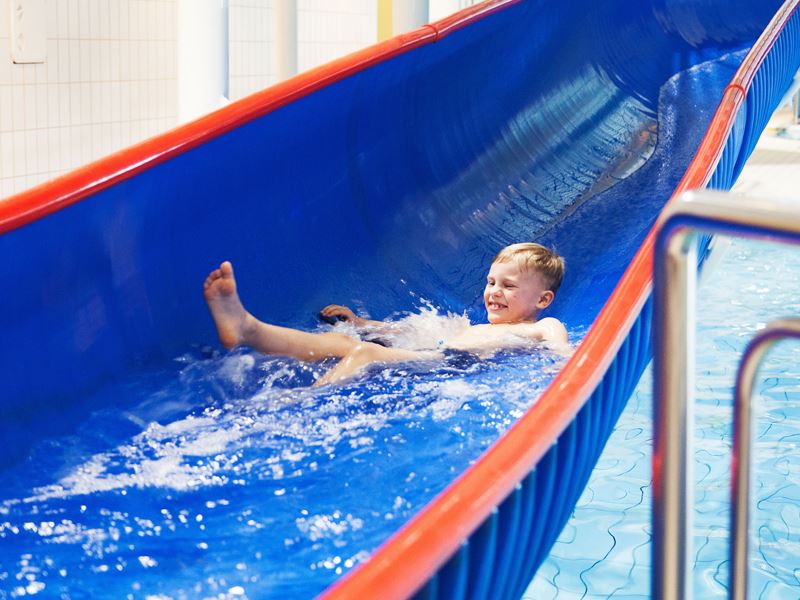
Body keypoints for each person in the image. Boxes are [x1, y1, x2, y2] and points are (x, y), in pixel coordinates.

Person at [203, 243, 568, 386]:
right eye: (491, 282)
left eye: (508, 285)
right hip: (438, 354)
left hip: (453, 365)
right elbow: (410, 331)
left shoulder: (543, 326)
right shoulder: (474, 326)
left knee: (367, 353)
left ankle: (298, 402)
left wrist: (562, 369)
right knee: (341, 340)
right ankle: (248, 328)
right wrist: (362, 324)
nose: (494, 292)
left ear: (543, 299)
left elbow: (561, 350)